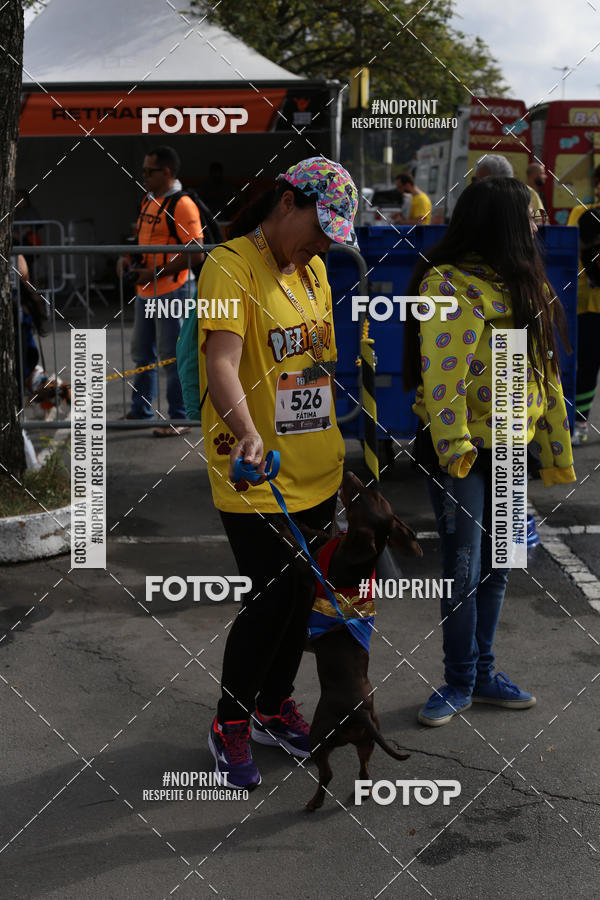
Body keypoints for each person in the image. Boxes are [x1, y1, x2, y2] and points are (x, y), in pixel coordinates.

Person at [197, 157, 358, 787]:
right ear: (286, 202)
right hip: (253, 470)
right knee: (269, 599)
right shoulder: (230, 265)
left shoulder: (314, 269)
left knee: (302, 599)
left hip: (315, 466)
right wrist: (249, 434)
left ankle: (272, 705)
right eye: (320, 225)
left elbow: (315, 369)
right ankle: (230, 722)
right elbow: (223, 364)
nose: (325, 242)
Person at [403, 177, 575, 727]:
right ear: (502, 220)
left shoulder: (524, 283)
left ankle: (481, 673)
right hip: (463, 452)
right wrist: (454, 450)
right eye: (530, 216)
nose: (537, 224)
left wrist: (553, 444)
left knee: (501, 564)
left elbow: (543, 377)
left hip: (508, 446)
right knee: (463, 567)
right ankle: (458, 679)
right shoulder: (447, 286)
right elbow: (441, 378)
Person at [122, 146, 204, 436]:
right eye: (143, 170)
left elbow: (196, 254)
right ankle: (141, 409)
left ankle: (180, 417)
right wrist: (130, 259)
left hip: (173, 289)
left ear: (167, 172)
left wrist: (155, 272)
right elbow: (145, 241)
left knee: (172, 355)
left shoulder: (182, 204)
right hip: (146, 290)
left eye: (149, 171)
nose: (143, 176)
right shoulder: (148, 199)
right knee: (143, 353)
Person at [566, 164, 600, 445]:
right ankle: (579, 423)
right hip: (589, 307)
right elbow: (569, 250)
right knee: (588, 367)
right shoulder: (581, 214)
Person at [474, 154, 545, 216]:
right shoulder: (474, 197)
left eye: (482, 181)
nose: (477, 185)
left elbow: (539, 221)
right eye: (476, 180)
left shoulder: (527, 194)